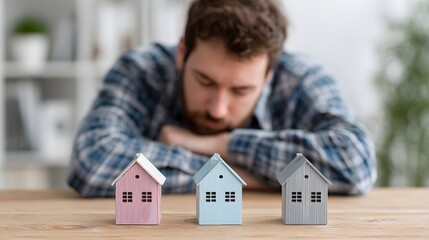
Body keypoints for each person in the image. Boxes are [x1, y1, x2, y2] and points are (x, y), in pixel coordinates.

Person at [67, 0, 376, 197]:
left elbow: (356, 163)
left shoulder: (302, 78)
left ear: (269, 75)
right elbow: (93, 161)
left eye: (241, 90)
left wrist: (220, 145)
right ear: (182, 53)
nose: (218, 109)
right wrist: (249, 178)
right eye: (205, 81)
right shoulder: (140, 70)